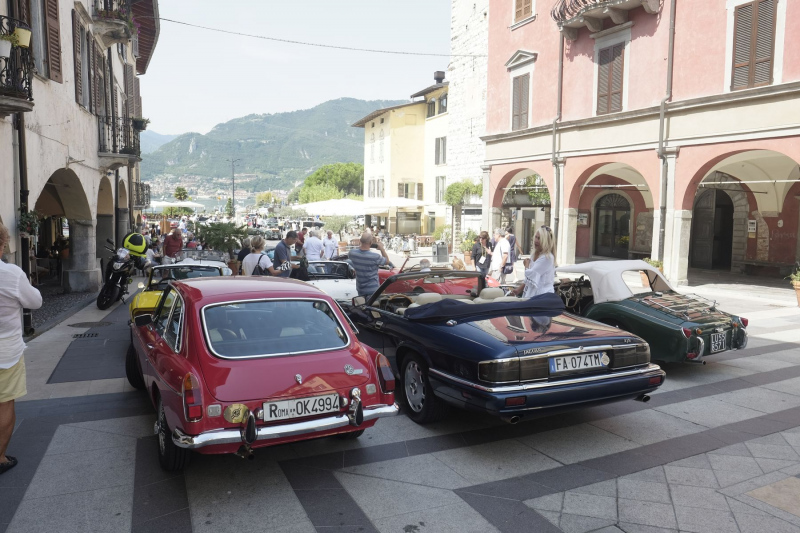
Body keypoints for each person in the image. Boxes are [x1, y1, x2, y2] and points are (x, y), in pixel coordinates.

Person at [0, 221, 43, 475]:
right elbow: (35, 301)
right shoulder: (12, 274)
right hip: (6, 352)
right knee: (4, 404)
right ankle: (0, 457)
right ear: (2, 243)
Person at [510, 226, 556, 298]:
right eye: (536, 237)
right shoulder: (535, 254)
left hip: (543, 296)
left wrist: (526, 265)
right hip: (534, 295)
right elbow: (530, 280)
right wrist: (518, 290)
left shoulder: (547, 258)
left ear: (546, 242)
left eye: (539, 238)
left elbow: (530, 275)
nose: (536, 241)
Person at [347, 232, 394, 297]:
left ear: (360, 241)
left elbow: (357, 253)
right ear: (371, 242)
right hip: (373, 290)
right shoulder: (375, 256)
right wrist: (381, 249)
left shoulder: (352, 253)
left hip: (360, 289)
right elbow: (387, 261)